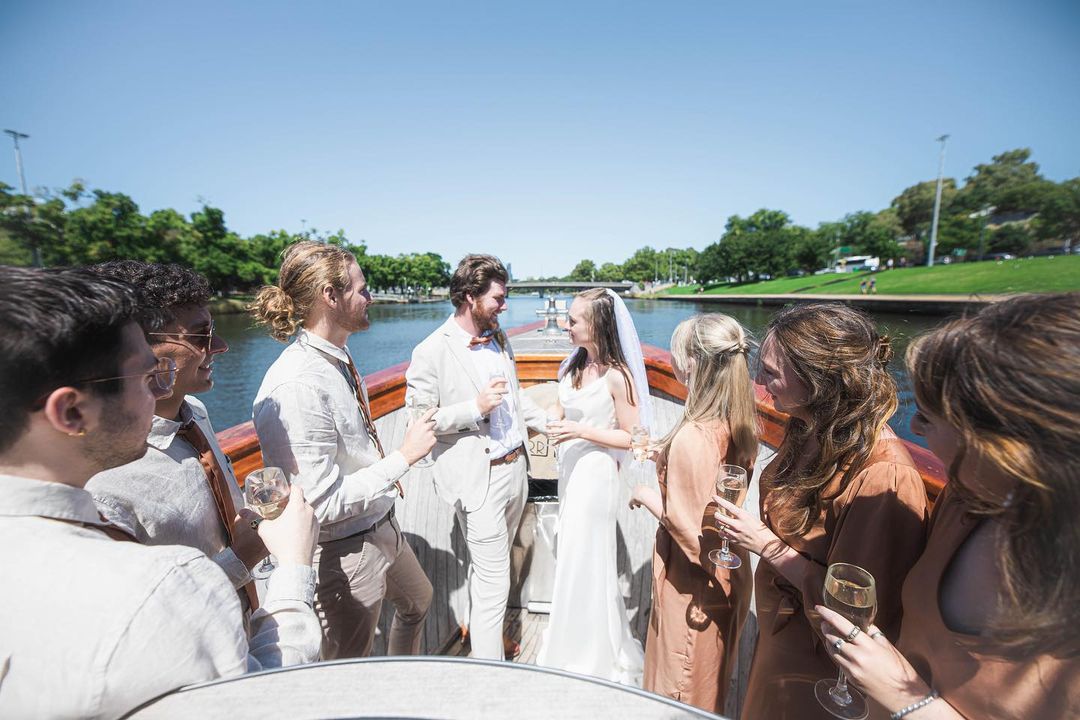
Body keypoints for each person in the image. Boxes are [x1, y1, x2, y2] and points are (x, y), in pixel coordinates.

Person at [0, 266, 321, 719]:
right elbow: (262, 703)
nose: (159, 386)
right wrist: (291, 568)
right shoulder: (151, 579)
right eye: (145, 374)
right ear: (71, 411)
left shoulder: (195, 415)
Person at [817, 293, 1080, 719]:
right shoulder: (965, 501)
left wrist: (908, 702)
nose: (914, 429)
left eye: (928, 418)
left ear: (1003, 448)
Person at [714, 303, 929, 720]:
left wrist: (764, 544)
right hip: (781, 635)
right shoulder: (807, 427)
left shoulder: (883, 476)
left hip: (824, 671)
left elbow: (857, 612)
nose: (758, 381)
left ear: (820, 380)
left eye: (772, 372)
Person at [251, 241, 437, 660]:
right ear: (330, 297)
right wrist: (404, 457)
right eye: (362, 288)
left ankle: (402, 690)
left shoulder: (337, 356)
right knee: (348, 671)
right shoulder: (297, 385)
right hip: (346, 551)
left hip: (381, 524)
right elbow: (321, 503)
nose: (370, 297)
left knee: (418, 602)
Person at [86, 261, 265, 615]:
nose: (221, 345)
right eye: (201, 335)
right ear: (138, 348)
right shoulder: (105, 483)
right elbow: (147, 614)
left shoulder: (195, 412)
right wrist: (246, 555)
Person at [405, 254, 548, 660]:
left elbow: (516, 402)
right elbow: (421, 421)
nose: (505, 306)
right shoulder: (430, 350)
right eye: (499, 299)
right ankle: (490, 676)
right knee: (495, 580)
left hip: (515, 470)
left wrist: (556, 425)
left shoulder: (499, 338)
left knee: (487, 569)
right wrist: (475, 407)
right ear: (470, 297)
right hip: (476, 481)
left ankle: (480, 633)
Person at [629, 314, 758, 712]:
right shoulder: (740, 422)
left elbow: (692, 537)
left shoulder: (693, 436)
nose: (672, 362)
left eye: (678, 353)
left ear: (694, 362)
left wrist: (650, 497)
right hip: (731, 577)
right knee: (709, 685)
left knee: (679, 690)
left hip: (694, 587)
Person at [535, 288, 647, 684]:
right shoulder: (573, 365)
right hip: (570, 471)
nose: (566, 324)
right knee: (571, 553)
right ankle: (571, 637)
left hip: (597, 475)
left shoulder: (619, 376)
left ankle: (591, 651)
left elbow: (637, 439)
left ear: (596, 325)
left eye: (573, 320)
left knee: (588, 556)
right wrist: (553, 414)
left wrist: (582, 430)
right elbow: (561, 406)